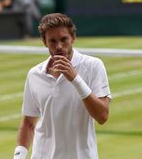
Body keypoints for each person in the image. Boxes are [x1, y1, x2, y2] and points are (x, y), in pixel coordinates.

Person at [13, 13, 111, 159]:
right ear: (44, 42)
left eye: (64, 39)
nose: (59, 46)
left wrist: (75, 79)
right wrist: (19, 156)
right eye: (52, 41)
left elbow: (102, 116)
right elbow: (28, 123)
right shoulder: (34, 74)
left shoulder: (93, 66)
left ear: (73, 38)